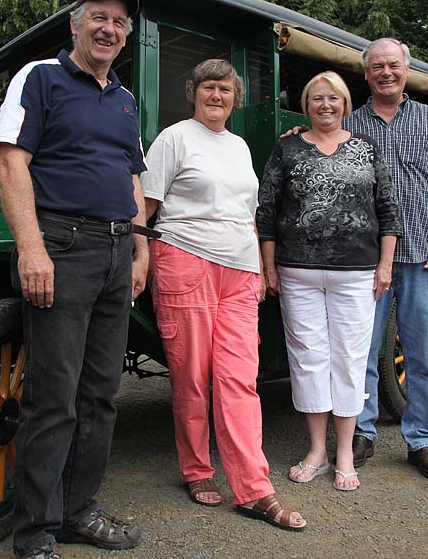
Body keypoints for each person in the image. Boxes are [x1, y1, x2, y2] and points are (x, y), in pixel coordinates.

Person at [0, 0, 151, 559]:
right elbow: (12, 163)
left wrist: (141, 249)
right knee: (53, 397)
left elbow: (132, 178)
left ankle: (78, 511)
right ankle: (35, 532)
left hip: (115, 252)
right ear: (76, 25)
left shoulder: (127, 100)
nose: (109, 29)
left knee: (100, 396)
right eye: (99, 18)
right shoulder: (40, 78)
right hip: (62, 246)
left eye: (119, 23)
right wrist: (31, 249)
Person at [286, 39, 428, 481]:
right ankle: (362, 434)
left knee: (424, 355)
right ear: (365, 75)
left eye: (394, 65)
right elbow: (317, 140)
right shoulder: (352, 123)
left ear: (407, 70)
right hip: (367, 261)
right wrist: (295, 134)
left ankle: (423, 441)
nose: (386, 72)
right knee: (360, 353)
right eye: (377, 67)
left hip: (423, 257)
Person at [141, 59, 306, 530]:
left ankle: (253, 489)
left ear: (235, 97)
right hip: (184, 260)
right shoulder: (174, 138)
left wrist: (256, 268)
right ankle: (196, 469)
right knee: (192, 378)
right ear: (193, 92)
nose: (217, 95)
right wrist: (139, 255)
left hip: (238, 270)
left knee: (239, 379)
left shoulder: (238, 147)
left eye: (226, 89)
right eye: (209, 88)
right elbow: (147, 206)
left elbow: (246, 214)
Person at [256, 71, 402, 491]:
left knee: (350, 360)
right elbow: (266, 212)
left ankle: (344, 453)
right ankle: (317, 450)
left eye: (333, 98)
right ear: (307, 105)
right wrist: (269, 267)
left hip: (356, 272)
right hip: (296, 271)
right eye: (317, 98)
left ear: (344, 104)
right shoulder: (287, 148)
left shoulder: (367, 149)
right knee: (308, 359)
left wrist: (386, 265)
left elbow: (388, 211)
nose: (325, 105)